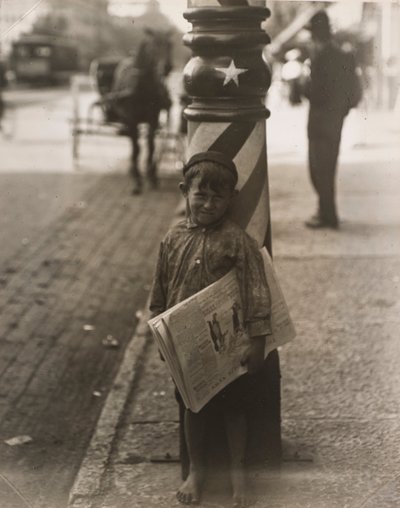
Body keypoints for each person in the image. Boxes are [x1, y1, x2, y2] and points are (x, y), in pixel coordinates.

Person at [149, 150, 272, 507]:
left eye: (218, 196)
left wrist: (258, 339)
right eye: (200, 194)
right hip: (188, 347)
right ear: (184, 191)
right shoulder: (172, 240)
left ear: (231, 199)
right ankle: (198, 470)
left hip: (229, 344)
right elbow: (159, 290)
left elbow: (255, 290)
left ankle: (237, 474)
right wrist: (161, 334)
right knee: (193, 407)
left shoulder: (237, 241)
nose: (208, 203)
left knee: (235, 409)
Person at [302, 10, 358, 230]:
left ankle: (327, 215)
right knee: (327, 167)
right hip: (334, 120)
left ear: (316, 34)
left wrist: (304, 84)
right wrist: (341, 111)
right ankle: (326, 211)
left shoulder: (320, 58)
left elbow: (313, 92)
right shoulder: (343, 55)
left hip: (319, 121)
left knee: (318, 169)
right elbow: (351, 91)